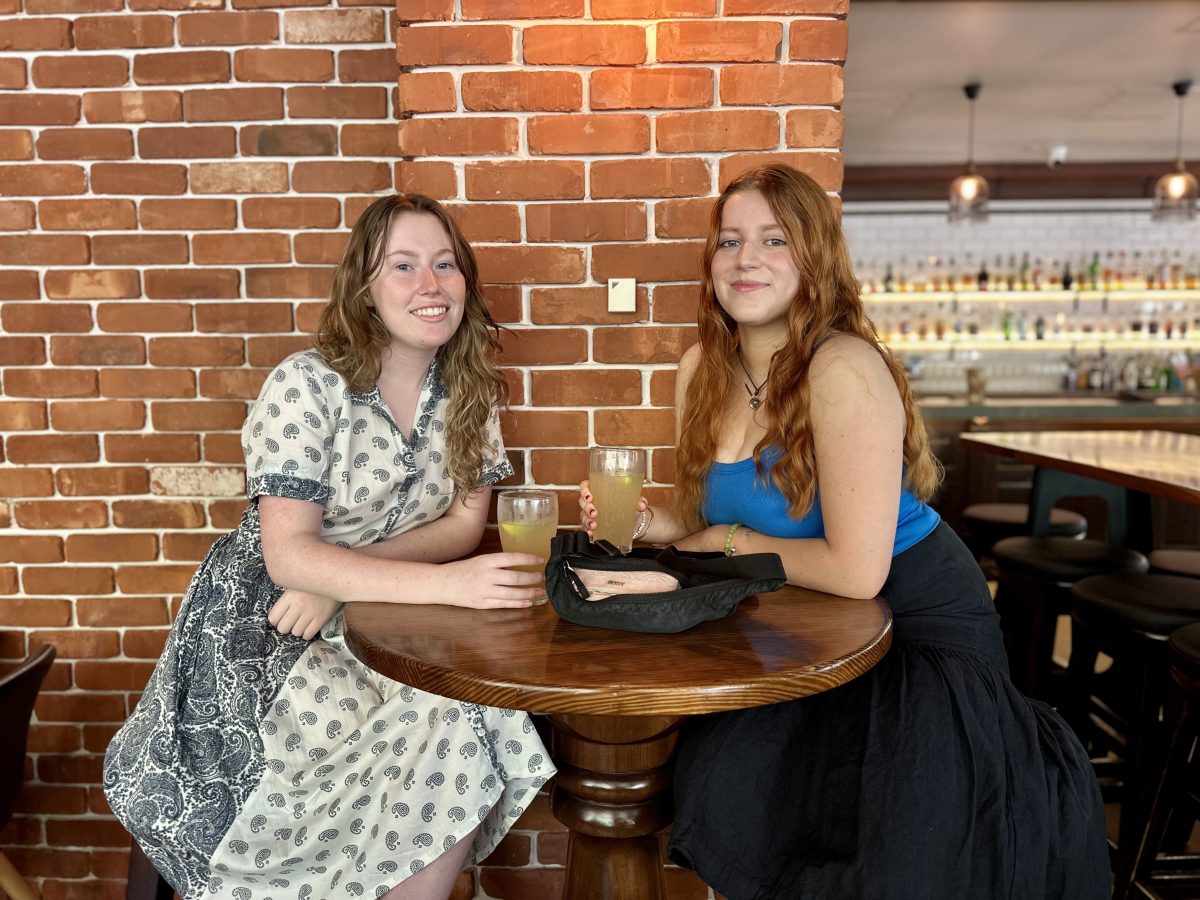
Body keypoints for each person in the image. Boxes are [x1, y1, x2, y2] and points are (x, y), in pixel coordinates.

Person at [579, 164, 1108, 899]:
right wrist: (652, 519)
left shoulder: (842, 366)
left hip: (914, 625)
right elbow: (709, 517)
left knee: (884, 845)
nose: (745, 258)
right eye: (729, 240)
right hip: (807, 622)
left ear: (814, 256)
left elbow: (858, 570)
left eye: (773, 239)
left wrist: (723, 546)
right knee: (738, 781)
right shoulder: (700, 368)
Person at [104, 194, 555, 900]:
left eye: (445, 264)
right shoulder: (307, 384)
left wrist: (345, 580)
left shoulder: (472, 391)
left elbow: (465, 529)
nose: (429, 285)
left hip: (366, 611)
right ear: (366, 291)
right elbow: (290, 559)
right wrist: (449, 585)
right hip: (270, 625)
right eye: (402, 266)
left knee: (473, 709)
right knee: (411, 736)